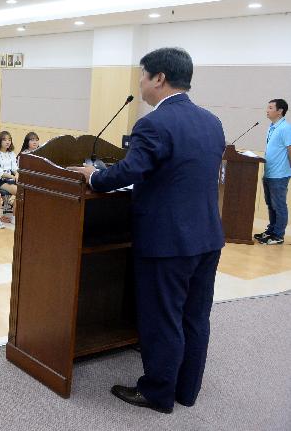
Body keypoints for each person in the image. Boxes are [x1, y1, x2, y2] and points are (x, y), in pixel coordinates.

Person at [68, 47, 225, 415]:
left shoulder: (154, 123)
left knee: (163, 317)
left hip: (167, 241)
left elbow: (129, 172)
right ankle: (186, 390)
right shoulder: (211, 121)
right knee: (195, 316)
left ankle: (157, 392)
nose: (139, 81)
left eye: (142, 74)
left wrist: (95, 176)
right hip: (206, 237)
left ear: (159, 78)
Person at [256, 98, 291, 244]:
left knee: (279, 205)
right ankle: (271, 231)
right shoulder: (272, 127)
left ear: (280, 111)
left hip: (280, 174)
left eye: (270, 107)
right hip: (269, 172)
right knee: (270, 204)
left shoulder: (285, 128)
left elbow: (290, 150)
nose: (267, 110)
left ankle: (278, 235)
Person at [0, 131, 18, 204]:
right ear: (0, 141)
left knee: (26, 190)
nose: (7, 142)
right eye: (5, 140)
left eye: (9, 140)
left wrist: (17, 174)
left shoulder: (11, 153)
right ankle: (11, 203)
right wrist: (11, 176)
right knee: (19, 192)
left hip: (11, 178)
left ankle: (12, 203)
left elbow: (14, 168)